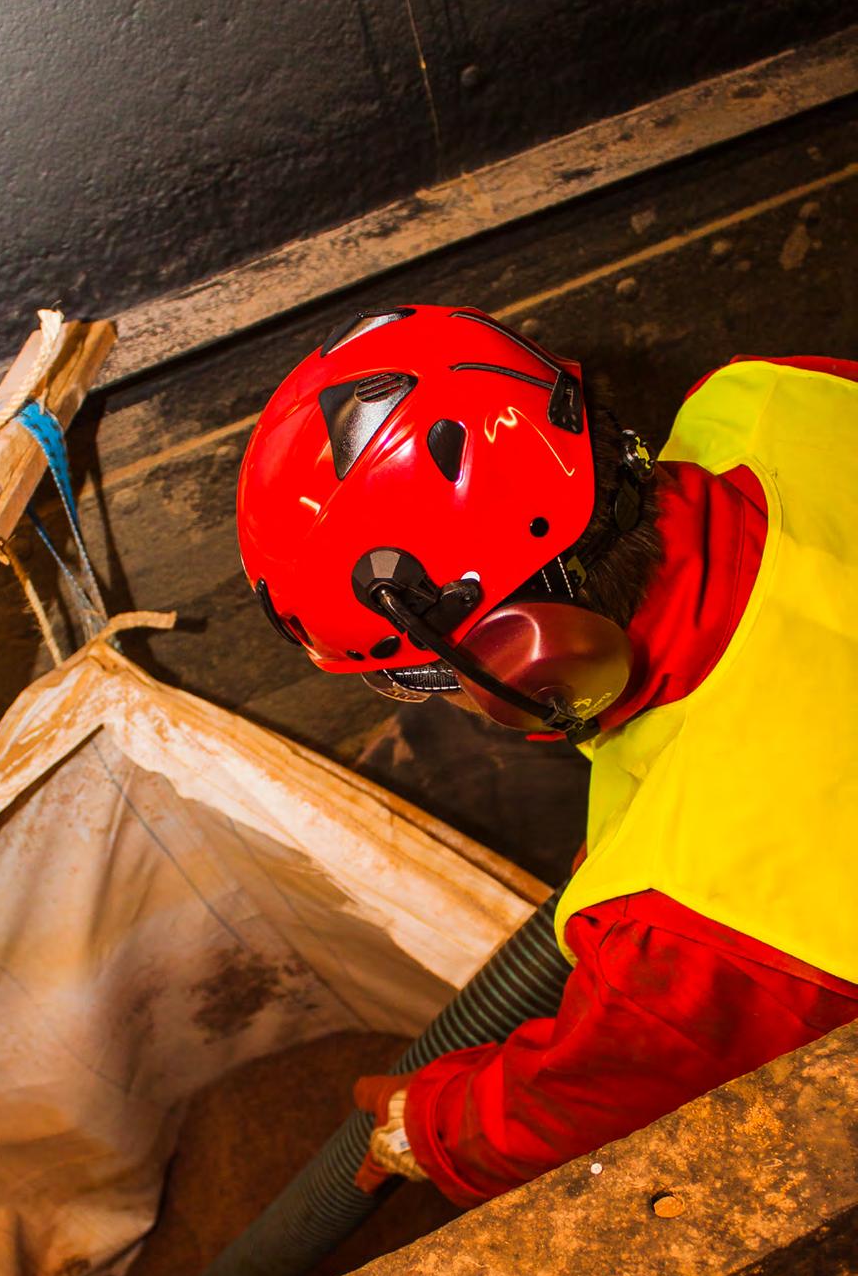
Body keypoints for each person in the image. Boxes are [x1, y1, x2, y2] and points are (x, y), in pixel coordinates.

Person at [236, 302, 858, 1208]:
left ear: (530, 650)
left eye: (419, 679)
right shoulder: (771, 398)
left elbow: (584, 1106)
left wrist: (427, 1127)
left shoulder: (699, 924)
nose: (440, 699)